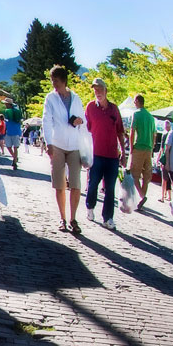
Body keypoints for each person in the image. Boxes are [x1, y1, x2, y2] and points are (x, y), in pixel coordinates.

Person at [42, 65, 86, 233]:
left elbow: (84, 121)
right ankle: (62, 218)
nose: (55, 86)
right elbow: (46, 120)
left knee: (75, 184)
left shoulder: (76, 98)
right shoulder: (50, 98)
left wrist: (78, 121)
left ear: (64, 81)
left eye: (57, 82)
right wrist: (48, 142)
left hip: (74, 145)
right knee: (59, 184)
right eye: (53, 82)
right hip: (57, 143)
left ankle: (73, 218)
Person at [84, 77, 127, 230]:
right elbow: (85, 130)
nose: (97, 93)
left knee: (110, 188)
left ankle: (108, 218)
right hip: (95, 154)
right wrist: (84, 151)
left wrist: (123, 152)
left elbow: (120, 132)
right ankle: (90, 206)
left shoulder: (114, 109)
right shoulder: (90, 108)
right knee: (93, 183)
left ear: (106, 91)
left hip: (112, 156)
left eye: (100, 90)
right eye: (95, 90)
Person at [127, 94, 155, 210]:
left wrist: (131, 148)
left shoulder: (136, 114)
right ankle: (141, 201)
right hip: (148, 149)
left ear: (138, 101)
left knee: (134, 175)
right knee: (146, 176)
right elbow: (154, 135)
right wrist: (152, 149)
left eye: (134, 101)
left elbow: (132, 131)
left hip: (139, 148)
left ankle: (142, 196)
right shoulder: (151, 117)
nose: (134, 104)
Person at [3, 97, 23, 169]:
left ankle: (14, 161)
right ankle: (15, 158)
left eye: (6, 103)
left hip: (11, 131)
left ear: (9, 104)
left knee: (12, 147)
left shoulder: (8, 111)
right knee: (12, 147)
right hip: (14, 131)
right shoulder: (15, 111)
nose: (5, 104)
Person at [157, 120, 173, 203]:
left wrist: (159, 159)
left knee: (164, 178)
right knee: (169, 179)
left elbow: (162, 148)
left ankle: (162, 196)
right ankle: (169, 196)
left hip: (165, 158)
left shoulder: (165, 135)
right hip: (171, 159)